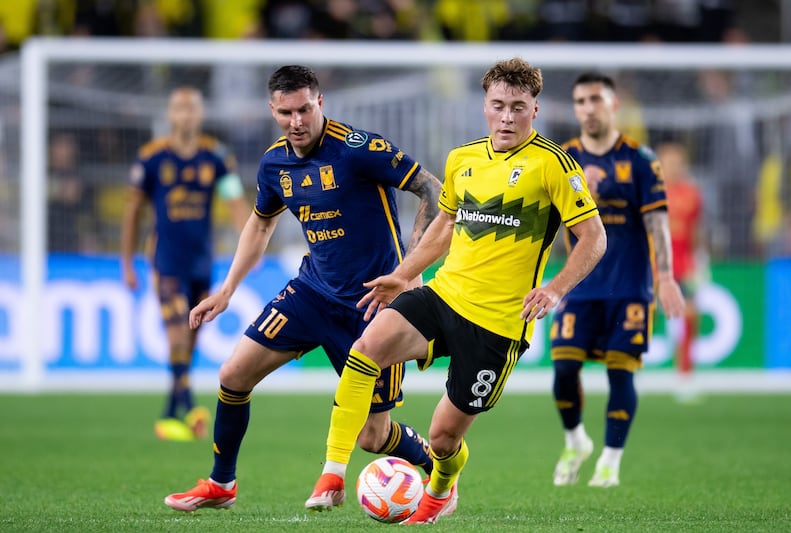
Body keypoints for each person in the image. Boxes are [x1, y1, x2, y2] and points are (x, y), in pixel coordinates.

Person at [305, 57, 607, 524]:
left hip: (497, 323)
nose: (507, 116)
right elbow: (444, 226)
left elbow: (594, 236)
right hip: (444, 294)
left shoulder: (552, 164)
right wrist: (405, 273)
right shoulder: (463, 158)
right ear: (485, 106)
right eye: (498, 105)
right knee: (364, 349)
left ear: (535, 110)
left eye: (518, 108)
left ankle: (442, 488)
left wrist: (555, 288)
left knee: (443, 438)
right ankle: (332, 473)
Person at [163, 65, 442, 512]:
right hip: (312, 293)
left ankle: (436, 466)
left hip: (373, 304)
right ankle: (222, 484)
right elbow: (260, 224)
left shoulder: (359, 149)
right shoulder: (274, 163)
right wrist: (227, 289)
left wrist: (409, 271)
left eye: (305, 109)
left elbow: (432, 189)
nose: (297, 121)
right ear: (272, 110)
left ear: (320, 103)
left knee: (372, 436)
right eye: (286, 112)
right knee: (233, 376)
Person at [551, 72, 685, 488]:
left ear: (613, 105)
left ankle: (610, 459)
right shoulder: (562, 159)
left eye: (595, 99)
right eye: (580, 101)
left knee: (620, 374)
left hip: (628, 287)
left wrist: (665, 276)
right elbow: (551, 228)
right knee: (563, 371)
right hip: (579, 286)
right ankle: (576, 441)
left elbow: (657, 222)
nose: (587, 108)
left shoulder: (641, 160)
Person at [121, 87, 250, 442]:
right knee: (177, 328)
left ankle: (170, 409)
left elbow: (236, 202)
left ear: (200, 114)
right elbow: (133, 211)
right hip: (165, 260)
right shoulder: (151, 158)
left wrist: (249, 243)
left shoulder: (216, 157)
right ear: (170, 114)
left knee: (190, 337)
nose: (187, 115)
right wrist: (127, 263)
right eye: (180, 108)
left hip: (201, 262)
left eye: (192, 108)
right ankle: (191, 406)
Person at [657, 140, 707, 398]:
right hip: (654, 264)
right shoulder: (651, 192)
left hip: (683, 266)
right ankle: (629, 369)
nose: (674, 167)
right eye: (669, 162)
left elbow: (696, 230)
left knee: (690, 316)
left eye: (678, 162)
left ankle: (685, 373)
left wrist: (700, 260)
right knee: (639, 316)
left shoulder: (692, 194)